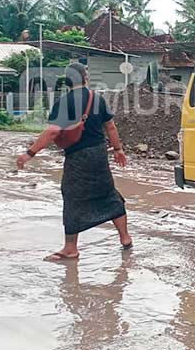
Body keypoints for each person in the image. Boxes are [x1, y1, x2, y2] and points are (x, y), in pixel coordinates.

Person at [16, 63, 131, 261]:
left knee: (72, 197)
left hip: (78, 157)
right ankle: (125, 238)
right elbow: (110, 127)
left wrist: (30, 153)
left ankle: (71, 248)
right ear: (85, 77)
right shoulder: (98, 99)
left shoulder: (64, 102)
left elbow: (53, 131)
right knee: (108, 194)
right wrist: (118, 149)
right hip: (99, 155)